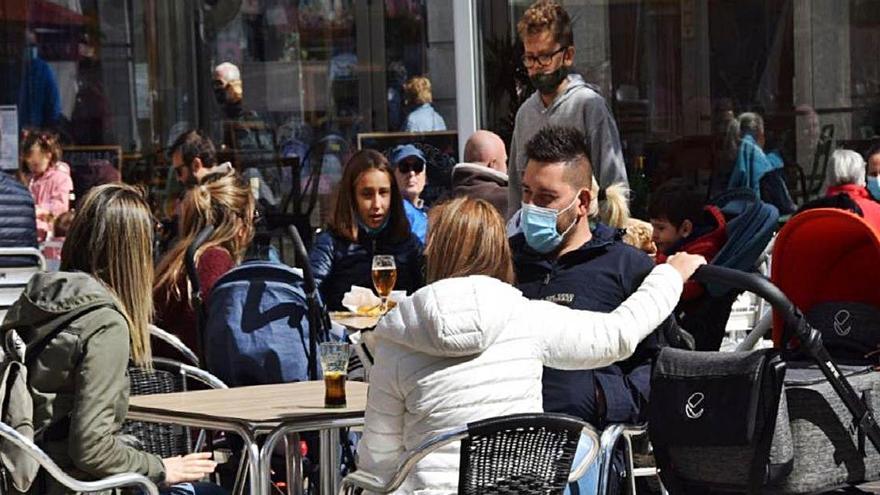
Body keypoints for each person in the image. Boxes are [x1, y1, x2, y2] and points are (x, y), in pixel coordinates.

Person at [357, 196, 705, 493]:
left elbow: (379, 461)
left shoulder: (395, 337)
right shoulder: (524, 316)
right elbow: (618, 334)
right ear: (498, 251)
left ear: (433, 252)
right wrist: (669, 275)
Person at [2, 184, 223, 495]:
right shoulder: (105, 324)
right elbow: (91, 447)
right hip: (73, 484)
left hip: (28, 480)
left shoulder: (37, 300)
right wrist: (160, 468)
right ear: (135, 254)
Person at [510, 126, 680, 493]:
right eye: (526, 194)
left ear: (583, 202)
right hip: (503, 443)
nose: (531, 208)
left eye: (546, 197)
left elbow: (663, 365)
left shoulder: (625, 267)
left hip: (587, 448)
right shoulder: (505, 260)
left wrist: (602, 398)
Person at [508, 0, 627, 218]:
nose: (535, 67)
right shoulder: (525, 113)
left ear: (568, 55)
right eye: (529, 58)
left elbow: (614, 186)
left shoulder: (589, 106)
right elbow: (516, 190)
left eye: (544, 57)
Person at [154, 173, 256, 355]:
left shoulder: (179, 258)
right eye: (252, 217)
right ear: (239, 225)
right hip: (195, 380)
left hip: (171, 374)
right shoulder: (214, 260)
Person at [309, 150, 424, 311]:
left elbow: (428, 293)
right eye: (367, 194)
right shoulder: (331, 243)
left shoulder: (408, 243)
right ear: (352, 197)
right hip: (346, 333)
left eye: (383, 193)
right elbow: (311, 292)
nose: (377, 204)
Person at [649, 179, 728, 350]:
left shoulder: (703, 251)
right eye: (652, 227)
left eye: (660, 229)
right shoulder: (676, 244)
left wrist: (659, 270)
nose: (653, 236)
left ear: (685, 228)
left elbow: (691, 290)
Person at [212, 62, 279, 209]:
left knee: (252, 174)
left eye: (220, 84)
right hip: (227, 184)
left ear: (234, 85)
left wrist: (230, 152)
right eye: (214, 85)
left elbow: (262, 156)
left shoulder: (252, 115)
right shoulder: (218, 116)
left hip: (255, 183)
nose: (217, 90)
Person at [21, 130, 73, 241]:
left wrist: (40, 210)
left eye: (35, 164)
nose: (32, 168)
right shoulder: (29, 179)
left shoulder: (61, 178)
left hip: (50, 236)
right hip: (30, 233)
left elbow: (60, 206)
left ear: (48, 156)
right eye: (29, 164)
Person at [448, 130, 509, 214]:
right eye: (505, 161)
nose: (507, 168)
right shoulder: (508, 199)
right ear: (492, 164)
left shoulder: (443, 201)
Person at [823, 149, 880, 229]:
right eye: (873, 174)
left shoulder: (809, 210)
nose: (877, 179)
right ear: (862, 176)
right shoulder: (875, 211)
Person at [390, 144, 429, 244]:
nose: (411, 173)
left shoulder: (430, 213)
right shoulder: (391, 212)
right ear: (392, 177)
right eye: (404, 167)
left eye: (417, 167)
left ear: (425, 178)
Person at [169, 129, 233, 188]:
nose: (178, 178)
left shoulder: (212, 197)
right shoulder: (226, 185)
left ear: (196, 165)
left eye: (179, 171)